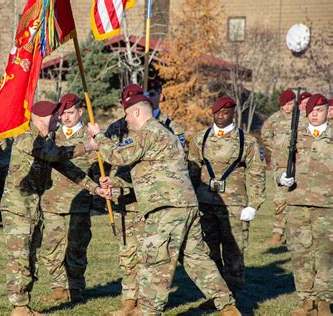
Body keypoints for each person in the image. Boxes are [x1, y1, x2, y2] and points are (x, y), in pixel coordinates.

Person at [86, 86, 240, 316]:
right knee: (195, 257)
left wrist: (98, 137)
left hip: (166, 208)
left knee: (155, 260)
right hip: (184, 204)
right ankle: (227, 306)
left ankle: (148, 311)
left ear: (137, 113)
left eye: (127, 114)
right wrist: (115, 184)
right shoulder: (163, 134)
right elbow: (150, 172)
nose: (125, 120)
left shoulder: (149, 132)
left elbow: (120, 156)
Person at [2, 100, 106, 315]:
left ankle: (23, 306)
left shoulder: (45, 140)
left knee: (30, 255)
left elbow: (66, 167)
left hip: (33, 207)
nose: (59, 118)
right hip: (18, 207)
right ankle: (19, 307)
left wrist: (95, 189)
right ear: (40, 118)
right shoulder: (27, 137)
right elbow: (55, 155)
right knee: (20, 256)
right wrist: (87, 146)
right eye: (55, 115)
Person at [103, 85, 186, 314]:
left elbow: (179, 160)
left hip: (153, 200)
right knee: (128, 253)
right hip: (126, 199)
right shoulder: (117, 127)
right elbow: (111, 160)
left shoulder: (166, 126)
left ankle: (145, 303)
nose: (127, 107)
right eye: (125, 103)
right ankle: (128, 301)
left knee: (151, 254)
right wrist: (111, 183)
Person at [188, 96, 266, 293]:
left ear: (233, 114)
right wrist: (190, 200)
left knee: (233, 251)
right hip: (204, 202)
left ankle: (233, 294)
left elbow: (256, 173)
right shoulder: (200, 138)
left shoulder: (246, 141)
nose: (220, 117)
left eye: (225, 113)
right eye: (217, 113)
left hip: (234, 205)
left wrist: (254, 204)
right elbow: (192, 172)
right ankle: (215, 294)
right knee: (208, 249)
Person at [278, 94, 332, 316]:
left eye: (319, 110)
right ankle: (306, 300)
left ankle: (324, 301)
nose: (315, 114)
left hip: (328, 206)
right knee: (301, 253)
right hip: (297, 203)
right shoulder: (295, 138)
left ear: (328, 111)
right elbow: (280, 165)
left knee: (326, 254)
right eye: (311, 111)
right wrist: (282, 178)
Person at [39, 93, 96, 303]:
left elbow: (98, 169)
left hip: (78, 201)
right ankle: (58, 286)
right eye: (62, 113)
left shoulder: (91, 138)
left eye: (70, 113)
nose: (65, 117)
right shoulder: (51, 136)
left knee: (77, 246)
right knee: (51, 245)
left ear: (80, 112)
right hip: (52, 200)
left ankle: (75, 287)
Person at [261, 89, 296, 247]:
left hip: (298, 164)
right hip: (280, 165)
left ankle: (293, 234)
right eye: (286, 104)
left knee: (296, 200)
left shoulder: (300, 119)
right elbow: (265, 135)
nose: (288, 107)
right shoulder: (274, 119)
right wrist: (276, 149)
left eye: (291, 103)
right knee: (280, 200)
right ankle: (278, 232)